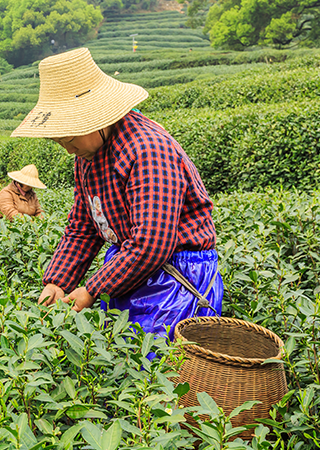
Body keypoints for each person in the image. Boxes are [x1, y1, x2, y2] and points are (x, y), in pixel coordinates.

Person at [12, 48, 222, 347]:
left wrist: (92, 289)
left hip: (175, 278)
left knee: (159, 369)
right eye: (60, 141)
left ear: (96, 118)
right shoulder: (88, 156)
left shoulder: (148, 150)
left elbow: (151, 243)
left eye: (69, 138)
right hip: (129, 268)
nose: (68, 149)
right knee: (119, 361)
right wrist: (57, 281)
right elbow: (83, 227)